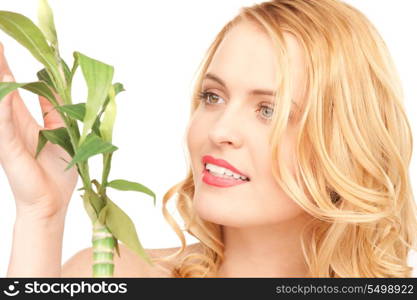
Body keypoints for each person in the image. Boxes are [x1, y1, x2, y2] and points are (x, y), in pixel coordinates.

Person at [1, 0, 416, 278]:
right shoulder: (110, 272)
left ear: (345, 141)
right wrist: (42, 216)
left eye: (268, 110)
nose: (218, 131)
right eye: (213, 97)